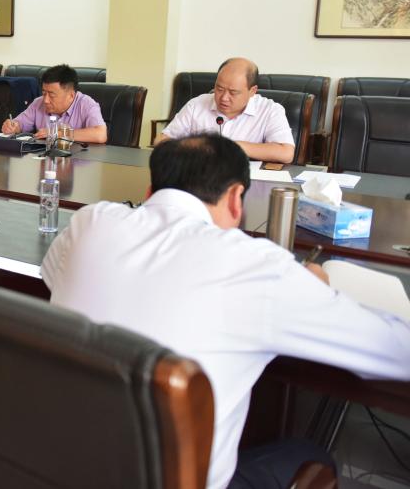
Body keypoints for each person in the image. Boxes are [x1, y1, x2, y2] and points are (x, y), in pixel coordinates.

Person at [41, 134, 410, 489]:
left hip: (49, 469)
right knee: (309, 455)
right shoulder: (256, 265)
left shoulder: (89, 222)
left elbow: (54, 277)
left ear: (150, 191)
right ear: (236, 198)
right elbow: (397, 351)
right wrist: (314, 290)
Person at [154, 57, 294, 163]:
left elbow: (286, 153)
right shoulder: (197, 104)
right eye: (219, 89)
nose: (224, 98)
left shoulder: (270, 110)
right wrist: (197, 147)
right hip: (199, 177)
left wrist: (232, 147)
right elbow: (161, 140)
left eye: (233, 92)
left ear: (252, 91)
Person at [1, 64, 107, 143]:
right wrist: (13, 126)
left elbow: (100, 135)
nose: (46, 100)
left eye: (51, 95)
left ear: (71, 95)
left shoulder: (87, 104)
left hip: (77, 161)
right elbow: (20, 123)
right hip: (44, 158)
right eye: (44, 93)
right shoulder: (38, 102)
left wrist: (57, 133)